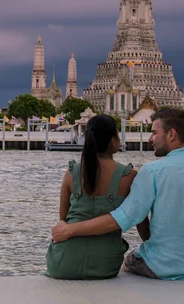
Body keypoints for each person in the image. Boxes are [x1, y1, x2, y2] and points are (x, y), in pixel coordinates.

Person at [52, 108, 184, 280]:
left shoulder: (152, 171)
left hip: (163, 266)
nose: (150, 139)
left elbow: (122, 218)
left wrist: (70, 230)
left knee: (129, 261)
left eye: (154, 133)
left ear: (171, 135)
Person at [45, 114, 150, 280]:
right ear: (113, 141)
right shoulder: (129, 176)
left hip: (63, 263)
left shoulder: (72, 173)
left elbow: (63, 219)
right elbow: (140, 222)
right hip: (105, 265)